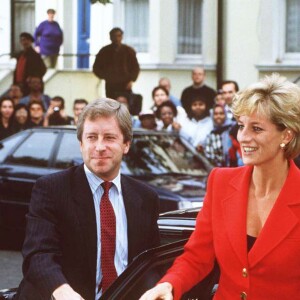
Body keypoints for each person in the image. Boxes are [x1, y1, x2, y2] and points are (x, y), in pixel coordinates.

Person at [140, 73, 300, 300]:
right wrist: (170, 285)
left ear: (286, 135)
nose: (243, 137)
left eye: (256, 129)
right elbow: (197, 256)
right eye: (241, 126)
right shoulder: (221, 183)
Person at [16, 98, 160, 300]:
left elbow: (152, 264)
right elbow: (38, 255)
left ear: (126, 144)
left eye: (109, 138)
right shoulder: (51, 189)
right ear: (81, 143)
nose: (99, 147)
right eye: (92, 137)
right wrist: (64, 293)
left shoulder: (146, 198)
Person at [93, 27, 140, 98]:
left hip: (125, 84)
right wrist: (106, 76)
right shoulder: (104, 51)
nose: (117, 38)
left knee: (124, 104)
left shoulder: (129, 51)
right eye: (114, 36)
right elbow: (96, 68)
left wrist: (131, 80)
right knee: (111, 105)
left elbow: (135, 68)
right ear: (110, 37)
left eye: (119, 36)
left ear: (122, 37)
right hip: (110, 85)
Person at [13, 32, 47, 96]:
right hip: (19, 85)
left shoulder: (35, 55)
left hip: (29, 86)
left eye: (26, 40)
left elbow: (43, 69)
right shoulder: (20, 55)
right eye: (22, 40)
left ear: (30, 41)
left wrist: (32, 77)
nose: (24, 42)